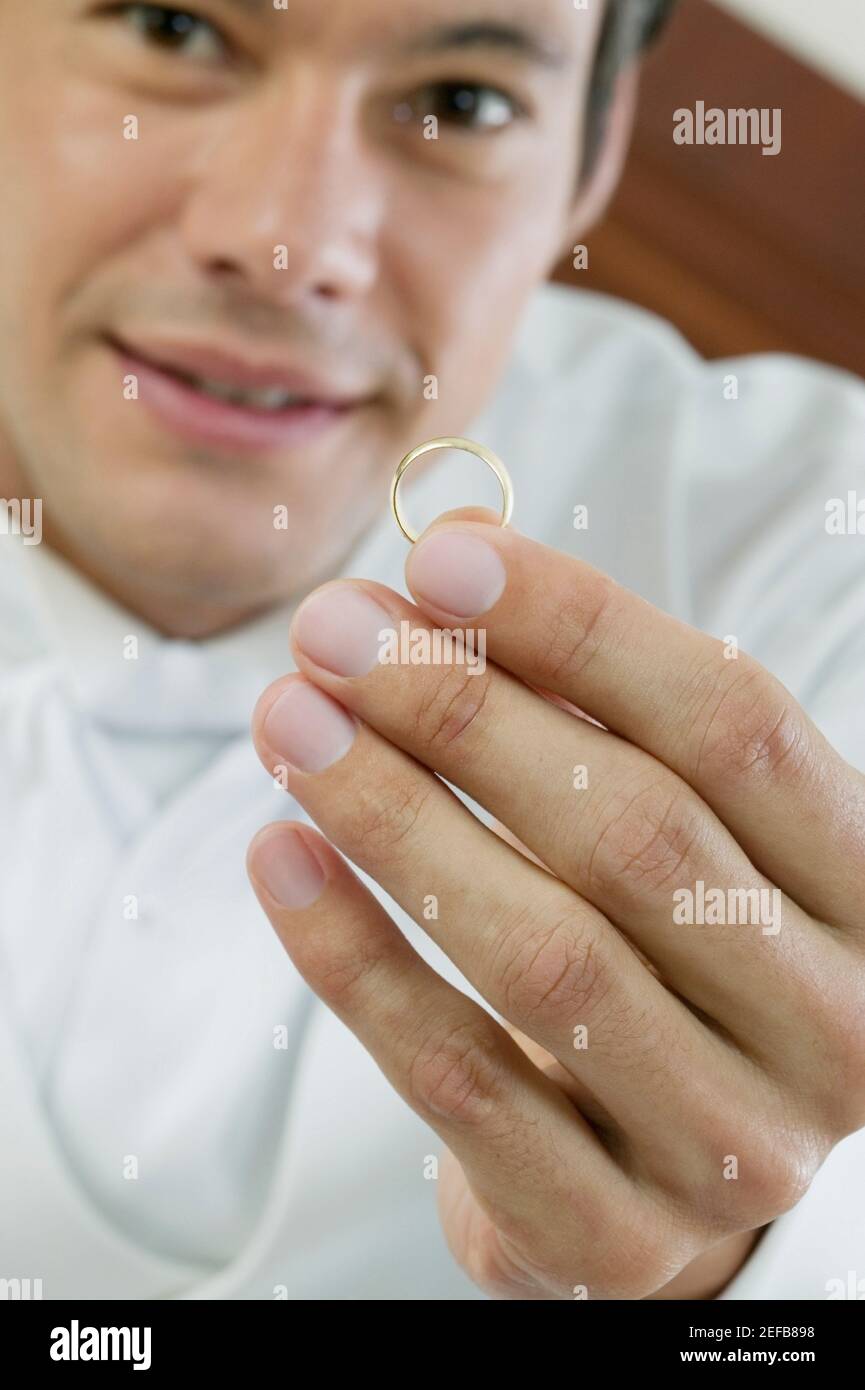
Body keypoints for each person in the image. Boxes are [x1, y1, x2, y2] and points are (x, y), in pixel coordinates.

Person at [0, 0, 863, 1302]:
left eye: (458, 101)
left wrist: (725, 1265)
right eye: (175, 30)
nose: (286, 242)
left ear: (592, 152)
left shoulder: (810, 545)